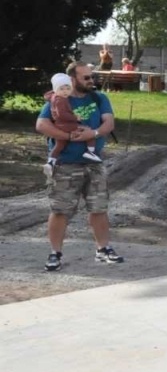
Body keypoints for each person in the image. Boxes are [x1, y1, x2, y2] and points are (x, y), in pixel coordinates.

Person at [33, 62, 121, 271]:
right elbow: (41, 125)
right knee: (61, 210)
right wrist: (68, 137)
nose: (91, 81)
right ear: (72, 79)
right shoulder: (60, 98)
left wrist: (94, 134)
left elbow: (108, 123)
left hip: (94, 162)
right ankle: (55, 253)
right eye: (86, 78)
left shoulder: (99, 98)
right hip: (65, 164)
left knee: (99, 207)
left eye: (92, 77)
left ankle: (103, 249)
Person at [44, 72, 102, 171]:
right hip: (66, 125)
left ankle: (50, 162)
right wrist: (75, 118)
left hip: (60, 125)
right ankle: (90, 152)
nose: (65, 91)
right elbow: (61, 114)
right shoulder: (61, 100)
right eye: (62, 89)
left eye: (67, 89)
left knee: (59, 145)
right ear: (56, 89)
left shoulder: (54, 97)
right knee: (88, 131)